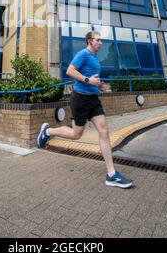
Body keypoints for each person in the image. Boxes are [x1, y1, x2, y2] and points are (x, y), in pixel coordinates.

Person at [37, 31, 133, 189]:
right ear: (90, 41)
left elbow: (91, 77)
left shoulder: (95, 57)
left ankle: (111, 174)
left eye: (101, 40)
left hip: (93, 100)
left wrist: (98, 85)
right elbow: (70, 71)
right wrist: (88, 80)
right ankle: (48, 132)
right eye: (98, 40)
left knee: (104, 131)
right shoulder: (83, 54)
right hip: (79, 100)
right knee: (76, 134)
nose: (101, 43)